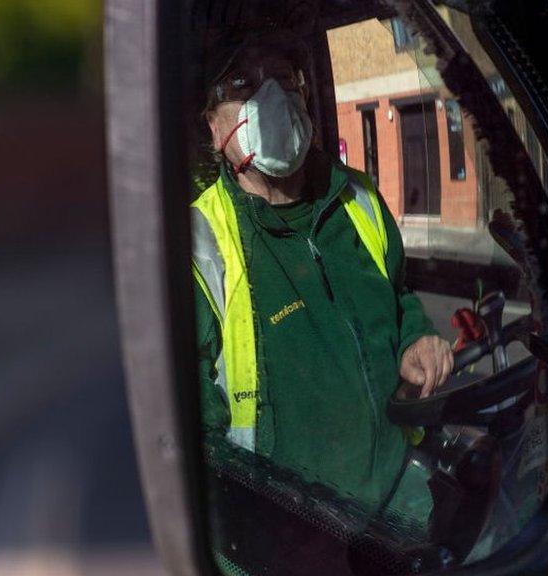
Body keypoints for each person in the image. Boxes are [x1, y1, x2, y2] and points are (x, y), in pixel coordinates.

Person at [191, 31, 454, 540]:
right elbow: (190, 433)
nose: (272, 96)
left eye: (284, 78)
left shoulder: (357, 197)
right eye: (243, 83)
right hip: (291, 537)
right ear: (212, 125)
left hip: (399, 496)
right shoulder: (200, 243)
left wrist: (415, 337)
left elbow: (395, 293)